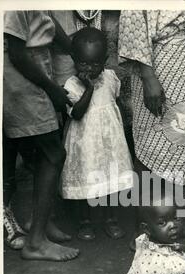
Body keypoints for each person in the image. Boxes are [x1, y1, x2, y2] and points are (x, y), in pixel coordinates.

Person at [118, 10, 185, 245]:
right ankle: (142, 233)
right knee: (152, 150)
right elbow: (134, 26)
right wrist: (149, 78)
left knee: (183, 147)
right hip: (158, 73)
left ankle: (176, 222)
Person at [3, 10, 79, 261]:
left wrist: (77, 50)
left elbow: (46, 19)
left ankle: (40, 222)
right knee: (53, 153)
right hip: (21, 72)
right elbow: (16, 51)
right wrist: (52, 89)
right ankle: (35, 243)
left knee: (39, 153)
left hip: (34, 67)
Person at [60, 27, 133, 240]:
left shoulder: (110, 77)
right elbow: (78, 113)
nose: (89, 68)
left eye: (95, 63)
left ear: (105, 60)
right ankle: (85, 222)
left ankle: (111, 219)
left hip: (110, 141)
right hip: (85, 143)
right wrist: (89, 89)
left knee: (110, 180)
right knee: (87, 178)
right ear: (74, 59)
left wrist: (122, 134)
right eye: (83, 63)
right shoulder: (72, 85)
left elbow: (116, 103)